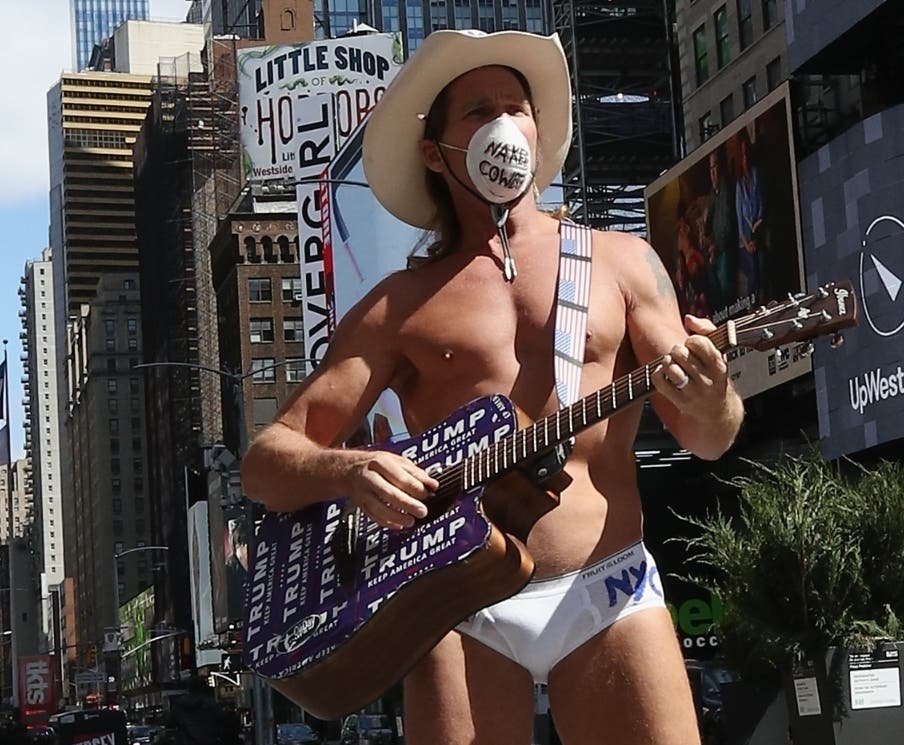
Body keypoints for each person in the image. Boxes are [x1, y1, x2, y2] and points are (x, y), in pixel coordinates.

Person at [241, 29, 744, 745]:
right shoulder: (398, 305)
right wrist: (352, 470)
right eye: (478, 111)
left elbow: (709, 434)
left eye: (518, 107)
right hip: (455, 604)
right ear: (433, 151)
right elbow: (266, 464)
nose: (505, 126)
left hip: (606, 589)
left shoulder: (623, 261)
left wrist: (711, 395)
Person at [701, 145, 738, 310]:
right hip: (718, 247)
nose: (713, 172)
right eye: (711, 168)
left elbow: (728, 226)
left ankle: (729, 312)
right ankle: (719, 314)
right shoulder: (712, 194)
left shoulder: (726, 188)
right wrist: (705, 222)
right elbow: (708, 230)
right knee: (708, 272)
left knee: (724, 280)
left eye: (716, 167)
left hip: (729, 246)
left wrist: (717, 247)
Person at [734, 129, 766, 303]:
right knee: (753, 267)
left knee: (761, 263)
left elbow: (761, 204)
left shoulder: (755, 175)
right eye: (742, 155)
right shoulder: (738, 185)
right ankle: (751, 304)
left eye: (747, 153)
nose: (745, 159)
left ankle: (760, 300)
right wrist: (747, 243)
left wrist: (756, 232)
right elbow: (740, 221)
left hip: (758, 230)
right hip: (744, 240)